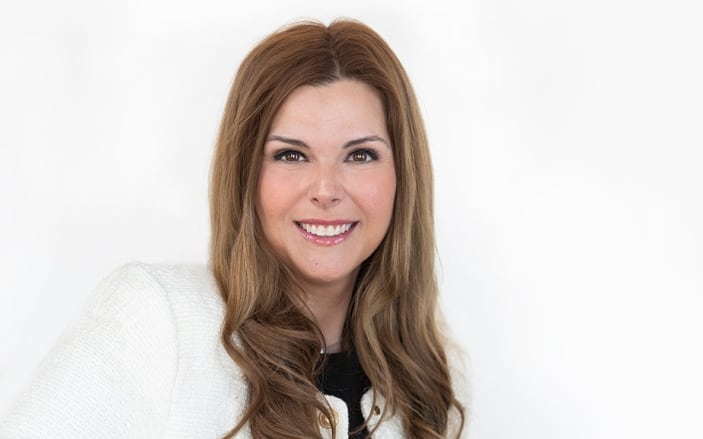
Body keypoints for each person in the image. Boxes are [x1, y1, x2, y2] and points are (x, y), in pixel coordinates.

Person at [1, 19, 466, 439]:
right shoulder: (159, 322)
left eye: (360, 155)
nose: (326, 189)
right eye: (291, 155)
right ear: (246, 176)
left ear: (403, 176)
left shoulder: (423, 374)